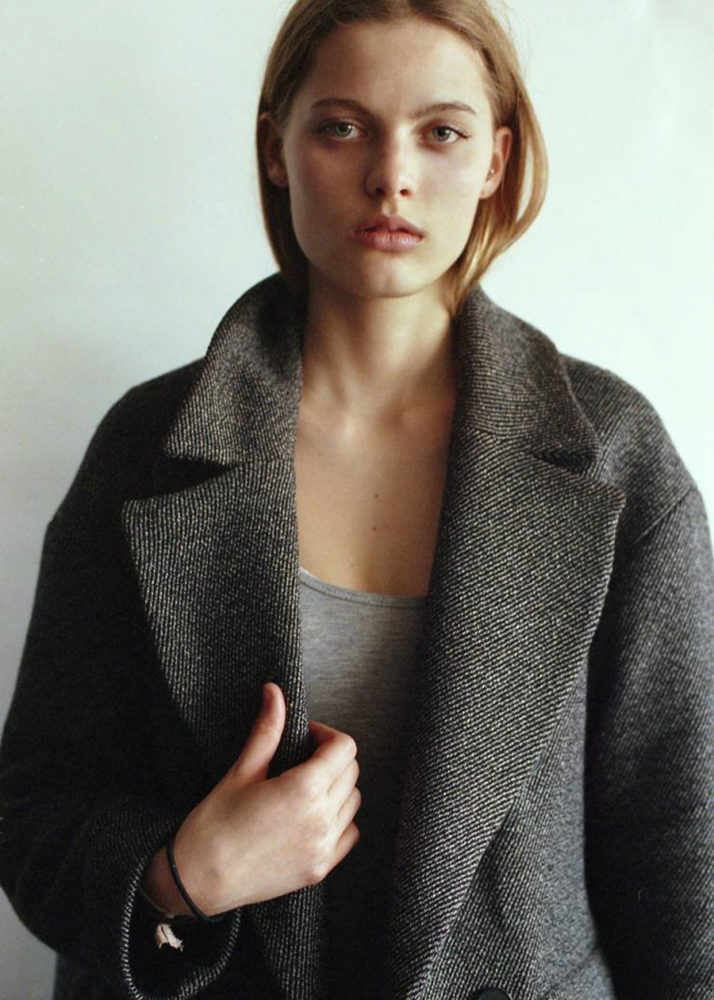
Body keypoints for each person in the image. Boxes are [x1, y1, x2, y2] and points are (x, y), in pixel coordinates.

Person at [1, 1, 712, 998]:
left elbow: (682, 846)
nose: (392, 175)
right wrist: (185, 874)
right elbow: (35, 801)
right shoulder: (147, 450)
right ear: (276, 149)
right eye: (342, 126)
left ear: (498, 158)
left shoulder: (617, 457)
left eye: (442, 132)